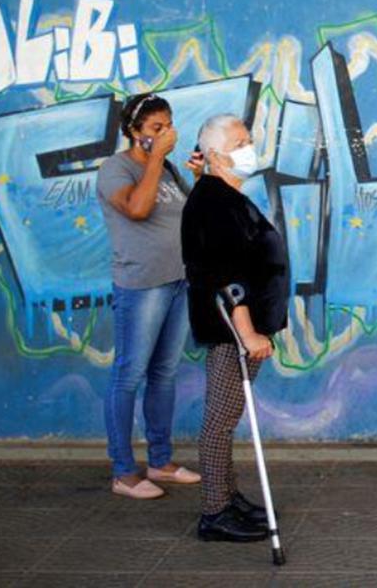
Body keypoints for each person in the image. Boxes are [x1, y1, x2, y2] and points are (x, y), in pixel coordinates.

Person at [182, 113, 288, 541]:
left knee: (226, 415)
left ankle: (228, 496)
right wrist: (247, 334)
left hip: (241, 329)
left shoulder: (222, 195)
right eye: (240, 141)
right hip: (231, 332)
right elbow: (227, 277)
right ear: (213, 155)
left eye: (248, 139)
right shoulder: (214, 201)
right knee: (221, 419)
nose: (249, 147)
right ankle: (214, 512)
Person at [96, 93, 203, 499]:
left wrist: (196, 179)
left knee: (164, 373)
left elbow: (189, 216)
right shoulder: (114, 169)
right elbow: (138, 210)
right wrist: (156, 158)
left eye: (168, 126)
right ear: (132, 131)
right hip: (142, 286)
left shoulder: (170, 171)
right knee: (128, 375)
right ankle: (123, 472)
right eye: (155, 128)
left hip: (178, 282)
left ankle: (160, 461)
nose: (165, 134)